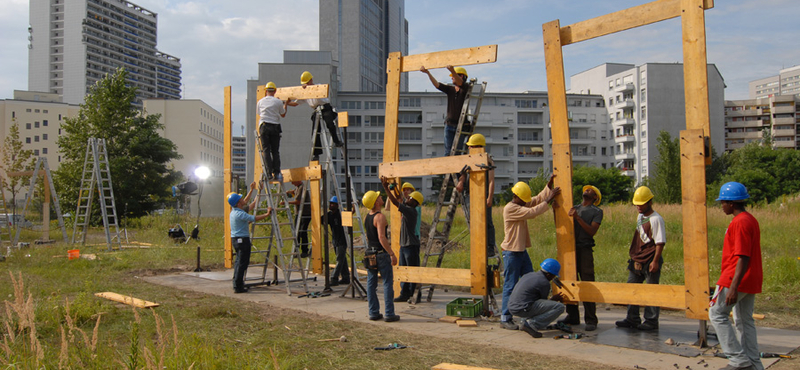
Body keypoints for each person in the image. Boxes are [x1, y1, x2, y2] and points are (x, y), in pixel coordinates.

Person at [709, 182, 764, 370]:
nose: (721, 206)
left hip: (735, 278)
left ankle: (738, 360)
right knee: (744, 320)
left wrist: (733, 286)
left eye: (722, 202)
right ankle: (754, 364)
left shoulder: (739, 222)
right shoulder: (750, 219)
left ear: (731, 203)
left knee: (716, 314)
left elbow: (743, 256)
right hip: (751, 278)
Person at [499, 178, 561, 330]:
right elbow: (533, 211)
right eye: (524, 199)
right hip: (512, 252)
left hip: (520, 251)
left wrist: (548, 186)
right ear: (518, 197)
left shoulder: (520, 204)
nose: (526, 201)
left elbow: (535, 200)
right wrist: (549, 198)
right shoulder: (510, 208)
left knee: (531, 280)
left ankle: (531, 314)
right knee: (510, 285)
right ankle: (505, 318)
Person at [615, 186, 666, 331]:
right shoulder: (640, 216)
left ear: (649, 202)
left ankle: (651, 321)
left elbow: (660, 242)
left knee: (651, 291)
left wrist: (655, 261)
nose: (638, 206)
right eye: (636, 204)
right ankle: (632, 318)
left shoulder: (656, 219)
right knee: (632, 288)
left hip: (650, 259)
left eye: (641, 203)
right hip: (637, 258)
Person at [558, 185, 603, 331]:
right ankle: (573, 316)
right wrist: (556, 210)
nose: (587, 190)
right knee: (570, 282)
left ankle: (591, 319)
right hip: (570, 249)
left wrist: (577, 218)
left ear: (595, 197)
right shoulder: (574, 207)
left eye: (591, 190)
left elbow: (591, 231)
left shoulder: (597, 211)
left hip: (585, 249)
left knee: (588, 282)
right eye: (586, 189)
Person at [455, 133, 497, 257]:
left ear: (478, 147)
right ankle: (478, 245)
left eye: (471, 146)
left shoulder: (488, 160)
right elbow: (463, 174)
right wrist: (461, 182)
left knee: (487, 222)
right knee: (474, 221)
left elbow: (491, 180)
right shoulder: (468, 159)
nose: (469, 149)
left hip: (483, 195)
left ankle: (489, 247)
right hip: (471, 195)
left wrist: (490, 197)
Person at [381, 177, 423, 303]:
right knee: (404, 270)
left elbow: (396, 202)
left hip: (411, 245)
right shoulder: (409, 206)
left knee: (412, 271)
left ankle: (415, 295)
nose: (407, 197)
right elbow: (400, 199)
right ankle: (405, 294)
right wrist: (395, 188)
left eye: (410, 197)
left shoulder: (411, 211)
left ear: (415, 202)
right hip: (404, 245)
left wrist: (385, 188)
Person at [361, 190, 400, 322]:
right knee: (387, 283)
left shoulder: (367, 217)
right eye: (379, 196)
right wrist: (391, 253)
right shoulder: (380, 217)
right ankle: (389, 313)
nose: (381, 197)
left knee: (371, 284)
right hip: (381, 255)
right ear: (376, 202)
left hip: (370, 254)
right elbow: (381, 237)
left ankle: (373, 312)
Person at [227, 182, 272, 293]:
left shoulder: (235, 211)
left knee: (239, 262)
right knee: (242, 263)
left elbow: (249, 203)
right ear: (238, 203)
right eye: (240, 199)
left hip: (237, 240)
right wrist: (267, 215)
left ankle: (237, 283)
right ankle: (238, 286)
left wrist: (254, 190)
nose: (243, 200)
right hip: (242, 241)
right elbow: (253, 218)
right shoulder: (240, 214)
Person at [508, 258, 567, 338]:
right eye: (553, 276)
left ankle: (524, 322)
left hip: (513, 307)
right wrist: (554, 299)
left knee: (532, 302)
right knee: (559, 307)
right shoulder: (544, 282)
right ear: (549, 274)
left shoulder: (529, 275)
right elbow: (543, 302)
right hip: (522, 308)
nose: (553, 278)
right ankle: (531, 324)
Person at [419, 65, 470, 156]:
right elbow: (437, 85)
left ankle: (456, 170)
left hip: (460, 126)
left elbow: (461, 83)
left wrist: (453, 71)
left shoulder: (465, 88)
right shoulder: (450, 90)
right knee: (448, 152)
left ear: (461, 76)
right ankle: (449, 170)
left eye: (453, 76)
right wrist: (428, 73)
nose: (452, 78)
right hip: (449, 125)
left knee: (457, 153)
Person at [256, 81, 297, 181]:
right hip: (274, 127)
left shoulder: (260, 102)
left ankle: (269, 173)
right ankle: (277, 172)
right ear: (275, 91)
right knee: (275, 151)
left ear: (266, 91)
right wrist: (286, 104)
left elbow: (259, 113)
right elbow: (283, 114)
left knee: (266, 151)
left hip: (264, 126)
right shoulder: (278, 102)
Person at [300, 71, 344, 161]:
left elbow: (319, 91)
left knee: (330, 125)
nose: (306, 85)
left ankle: (336, 141)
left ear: (311, 80)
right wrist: (287, 103)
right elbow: (295, 103)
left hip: (326, 108)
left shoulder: (319, 86)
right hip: (317, 110)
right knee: (315, 132)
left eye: (307, 83)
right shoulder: (304, 93)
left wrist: (308, 89)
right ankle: (316, 154)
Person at [325, 196, 350, 286]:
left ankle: (334, 278)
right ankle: (346, 277)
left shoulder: (340, 214)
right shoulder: (329, 215)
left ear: (337, 205)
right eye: (330, 203)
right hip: (335, 240)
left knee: (339, 260)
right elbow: (321, 220)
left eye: (333, 204)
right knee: (342, 259)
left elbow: (349, 215)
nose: (331, 205)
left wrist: (353, 207)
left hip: (342, 240)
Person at [288, 181, 312, 258]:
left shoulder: (302, 187)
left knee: (302, 231)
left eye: (293, 182)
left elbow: (298, 201)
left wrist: (288, 202)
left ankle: (305, 250)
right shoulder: (298, 187)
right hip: (299, 213)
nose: (292, 183)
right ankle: (296, 250)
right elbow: (295, 193)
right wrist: (290, 192)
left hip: (305, 213)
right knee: (296, 232)